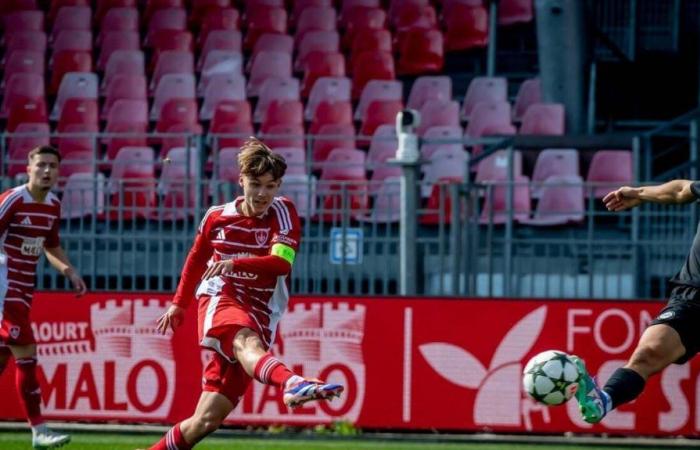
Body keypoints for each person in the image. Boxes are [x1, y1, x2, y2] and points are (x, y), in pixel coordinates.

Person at [148, 138, 343, 450]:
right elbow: (196, 259)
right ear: (241, 181)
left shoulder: (284, 212)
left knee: (206, 421)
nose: (263, 194)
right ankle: (292, 383)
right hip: (220, 297)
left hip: (261, 309)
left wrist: (234, 262)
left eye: (271, 185)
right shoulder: (216, 217)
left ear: (279, 185)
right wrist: (178, 304)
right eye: (255, 184)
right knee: (245, 341)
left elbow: (280, 264)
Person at [573, 179, 700, 423]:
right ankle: (603, 401)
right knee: (647, 354)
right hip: (692, 299)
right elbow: (681, 190)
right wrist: (640, 194)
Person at [0, 145, 87, 449]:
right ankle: (40, 431)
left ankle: (39, 432)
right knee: (26, 352)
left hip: (23, 289)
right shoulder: (13, 199)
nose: (47, 171)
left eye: (53, 166)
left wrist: (69, 271)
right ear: (28, 168)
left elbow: (50, 246)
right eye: (41, 165)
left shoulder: (52, 204)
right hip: (4, 290)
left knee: (2, 359)